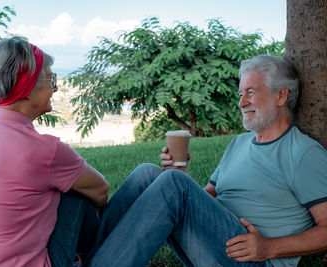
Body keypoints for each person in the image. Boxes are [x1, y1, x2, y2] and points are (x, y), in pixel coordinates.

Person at [83, 55, 327, 267]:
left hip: (252, 259)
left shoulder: (303, 153)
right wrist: (177, 175)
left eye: (250, 93)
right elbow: (207, 197)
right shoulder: (239, 144)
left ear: (281, 96)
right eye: (241, 94)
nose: (241, 103)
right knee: (147, 173)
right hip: (215, 241)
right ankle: (86, 258)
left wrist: (269, 248)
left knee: (173, 184)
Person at [0, 36, 109, 267]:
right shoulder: (45, 150)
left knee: (140, 175)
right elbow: (101, 190)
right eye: (51, 78)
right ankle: (102, 256)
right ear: (28, 86)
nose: (56, 87)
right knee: (77, 190)